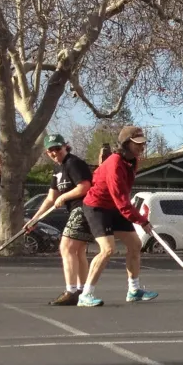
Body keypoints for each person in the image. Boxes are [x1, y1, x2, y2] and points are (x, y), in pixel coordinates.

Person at [78, 126, 157, 307]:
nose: (142, 147)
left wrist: (137, 218)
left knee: (135, 245)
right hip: (97, 207)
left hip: (115, 207)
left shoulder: (132, 161)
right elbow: (121, 199)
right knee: (108, 249)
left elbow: (122, 198)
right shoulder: (115, 164)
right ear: (126, 143)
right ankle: (86, 294)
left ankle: (134, 291)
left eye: (143, 143)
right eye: (137, 144)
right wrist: (142, 221)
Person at [30, 134, 95, 306]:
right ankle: (82, 291)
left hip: (85, 208)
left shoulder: (73, 163)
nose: (54, 152)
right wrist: (35, 219)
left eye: (57, 148)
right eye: (50, 150)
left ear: (65, 146)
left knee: (66, 248)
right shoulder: (57, 169)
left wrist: (64, 196)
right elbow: (51, 198)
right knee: (78, 251)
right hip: (76, 210)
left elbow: (85, 186)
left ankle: (71, 291)